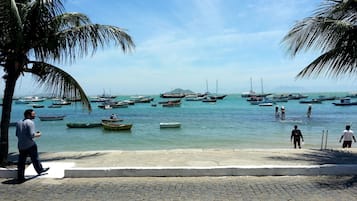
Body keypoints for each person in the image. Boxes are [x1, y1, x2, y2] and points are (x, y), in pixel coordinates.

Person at [16, 109, 49, 183]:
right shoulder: (30, 122)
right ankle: (40, 170)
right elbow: (32, 135)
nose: (35, 115)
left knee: (21, 161)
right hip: (30, 144)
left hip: (21, 144)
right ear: (28, 115)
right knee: (35, 158)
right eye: (33, 114)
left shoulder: (18, 122)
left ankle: (20, 177)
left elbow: (17, 134)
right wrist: (39, 134)